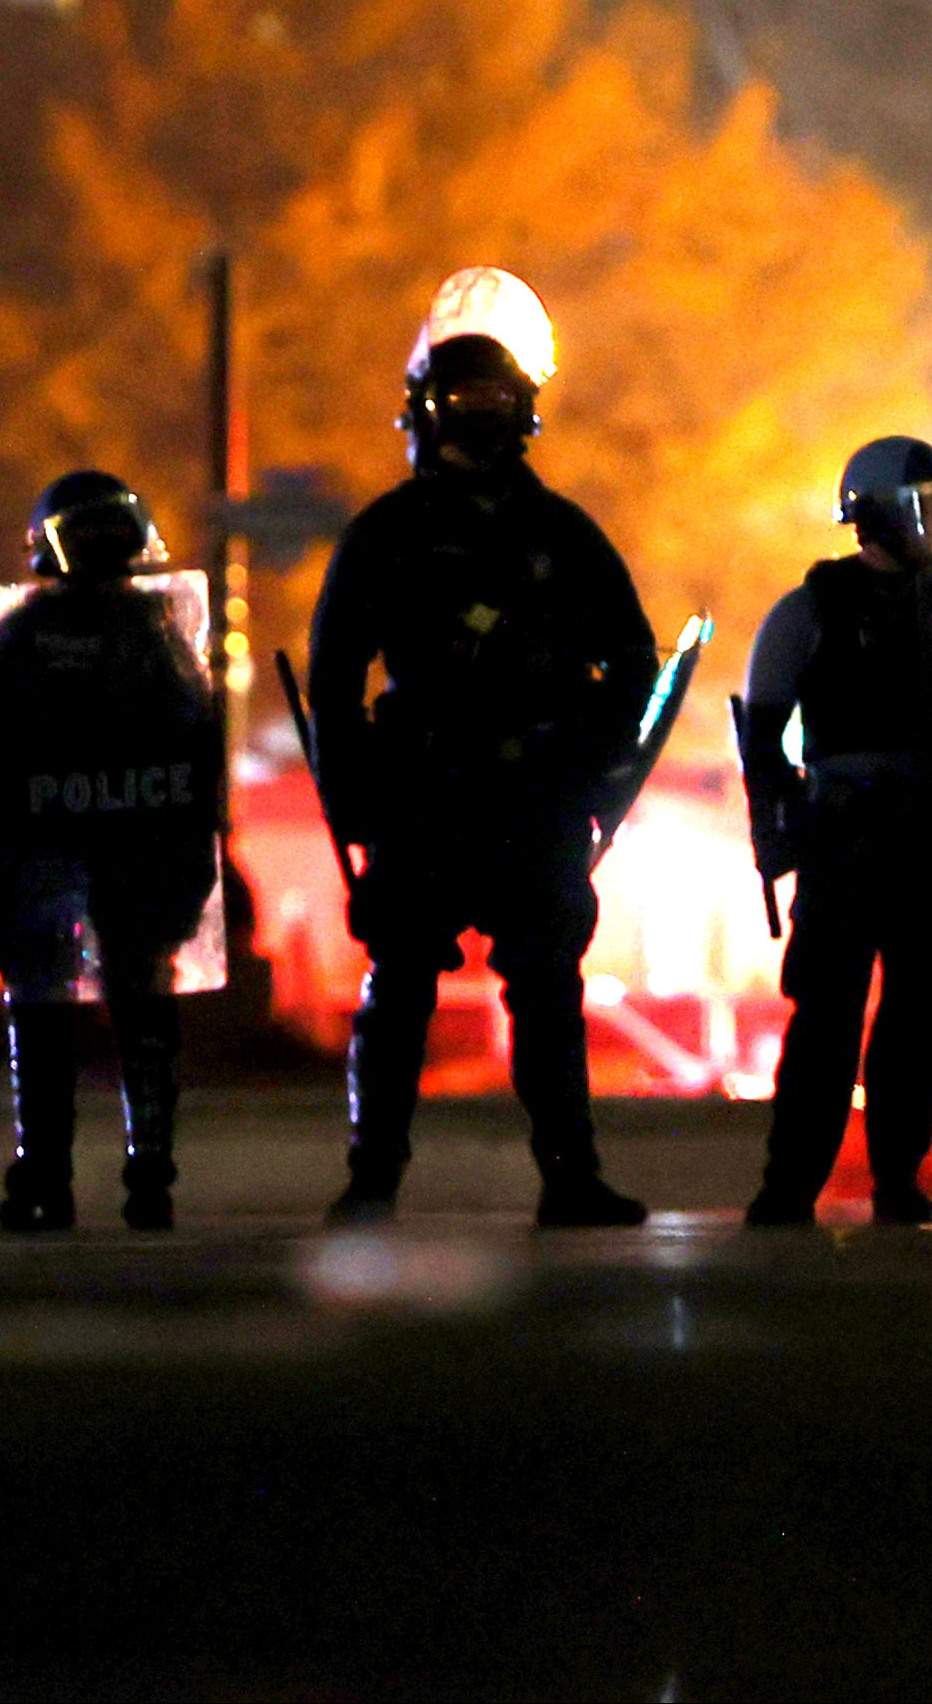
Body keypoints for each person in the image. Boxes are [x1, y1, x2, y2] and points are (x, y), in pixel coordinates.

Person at [304, 268, 660, 1229]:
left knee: (548, 993)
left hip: (534, 796)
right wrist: (356, 804)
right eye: (466, 401)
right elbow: (332, 686)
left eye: (499, 401)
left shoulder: (563, 534)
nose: (483, 419)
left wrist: (586, 756)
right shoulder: (385, 536)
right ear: (426, 409)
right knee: (399, 996)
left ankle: (571, 1176)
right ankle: (372, 1181)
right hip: (422, 798)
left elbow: (634, 662)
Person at [737, 436, 932, 1229]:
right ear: (885, 515)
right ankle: (789, 1185)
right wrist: (779, 830)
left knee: (915, 1018)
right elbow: (763, 742)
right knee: (826, 1023)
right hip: (844, 843)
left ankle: (895, 1180)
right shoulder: (809, 613)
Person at [0, 470, 223, 1234]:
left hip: (46, 858)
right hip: (145, 861)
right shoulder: (164, 632)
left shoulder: (26, 636)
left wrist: (48, 776)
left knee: (40, 1014)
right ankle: (151, 1181)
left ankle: (44, 1179)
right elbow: (204, 752)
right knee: (144, 1015)